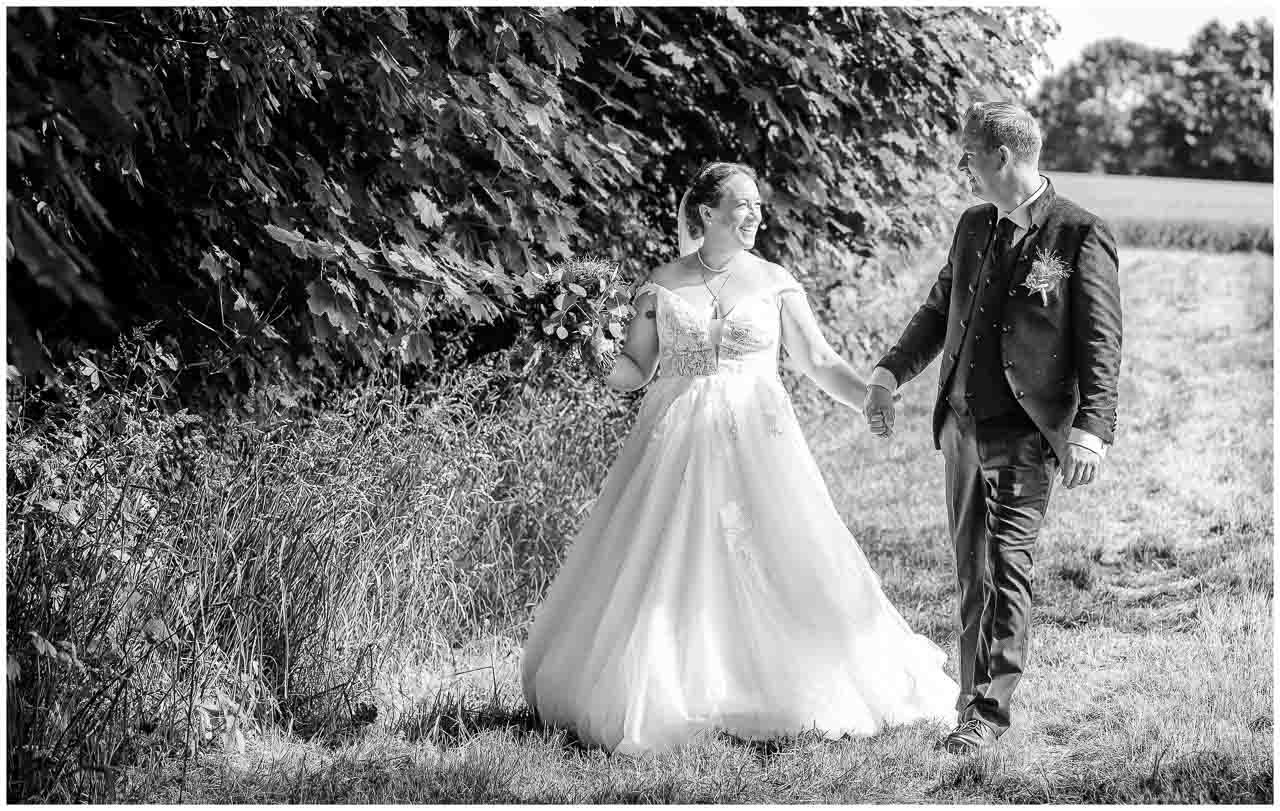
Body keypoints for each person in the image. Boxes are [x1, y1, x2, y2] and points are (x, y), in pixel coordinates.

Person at [521, 161, 957, 755]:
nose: (756, 214)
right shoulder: (662, 284)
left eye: (758, 205)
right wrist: (591, 346)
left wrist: (870, 396)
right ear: (707, 212)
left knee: (780, 555)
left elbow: (819, 361)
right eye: (744, 204)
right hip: (674, 441)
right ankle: (674, 684)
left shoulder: (775, 281)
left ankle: (781, 680)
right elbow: (634, 372)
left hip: (760, 440)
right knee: (669, 557)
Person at [863, 102, 1122, 754]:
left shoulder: (1078, 234)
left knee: (1008, 568)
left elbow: (1100, 341)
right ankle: (968, 702)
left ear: (1001, 157)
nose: (963, 167)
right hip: (960, 428)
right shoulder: (973, 225)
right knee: (970, 572)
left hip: (1025, 435)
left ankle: (986, 719)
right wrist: (891, 372)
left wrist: (1091, 427)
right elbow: (937, 308)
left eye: (968, 155)